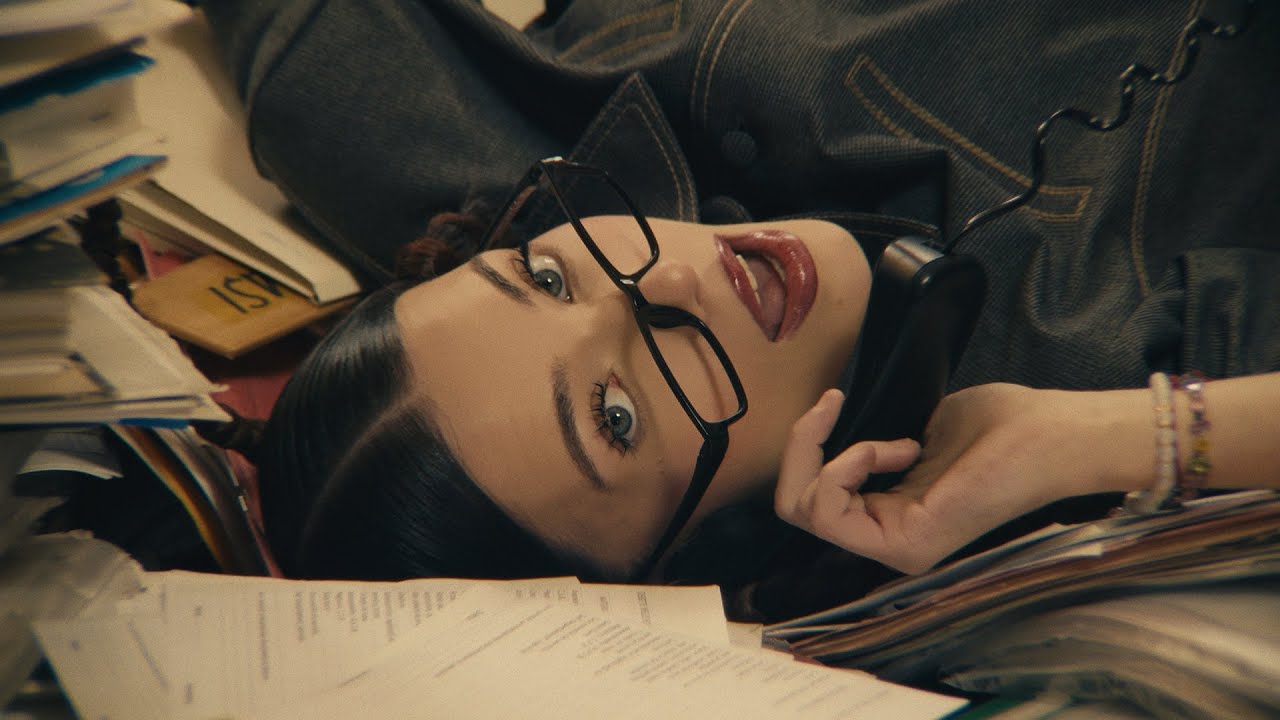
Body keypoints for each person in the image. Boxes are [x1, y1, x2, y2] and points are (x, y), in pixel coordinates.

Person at [197, 0, 1280, 620]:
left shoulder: (475, 171)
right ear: (700, 560)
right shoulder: (1126, 378)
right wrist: (1115, 436)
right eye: (616, 415)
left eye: (543, 280)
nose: (669, 284)